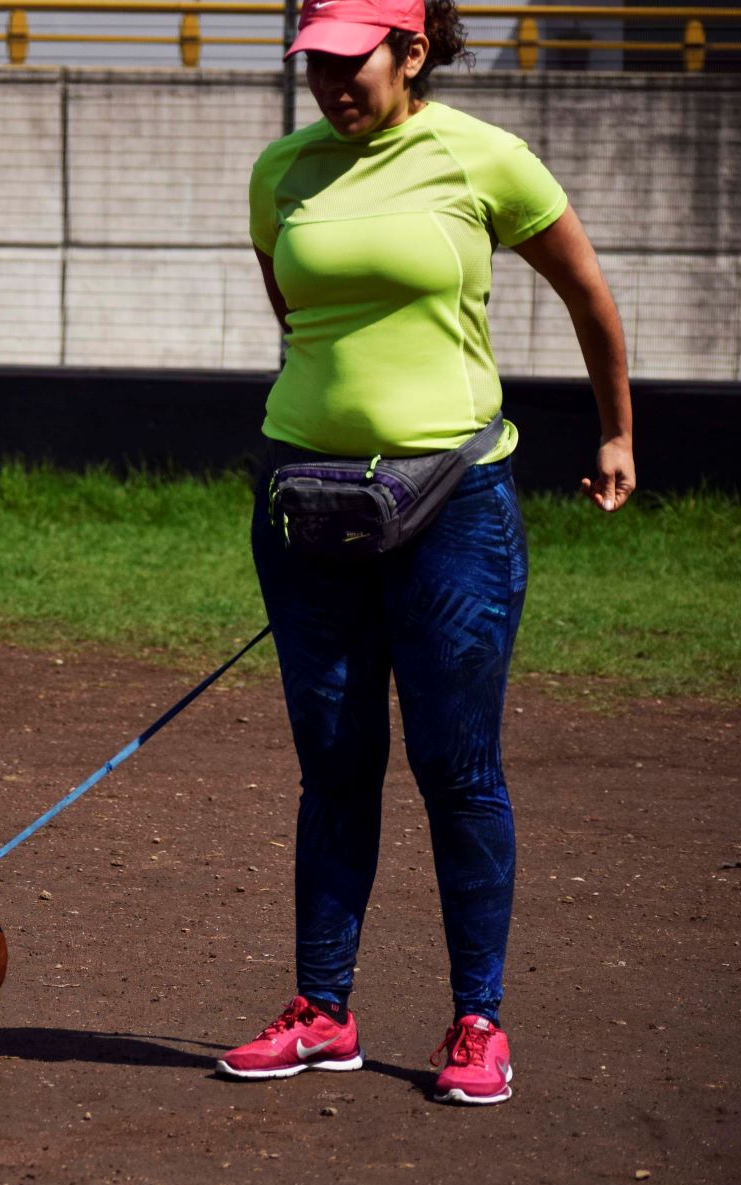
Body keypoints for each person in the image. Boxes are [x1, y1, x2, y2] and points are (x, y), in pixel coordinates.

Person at [214, 0, 634, 1105]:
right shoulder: (283, 171)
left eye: (353, 65)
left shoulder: (482, 158)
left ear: (410, 52)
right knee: (335, 762)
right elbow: (297, 313)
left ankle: (478, 1019)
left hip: (454, 503)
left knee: (457, 765)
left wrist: (617, 428)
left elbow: (586, 290)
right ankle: (322, 1008)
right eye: (316, 67)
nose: (331, 85)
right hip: (309, 504)